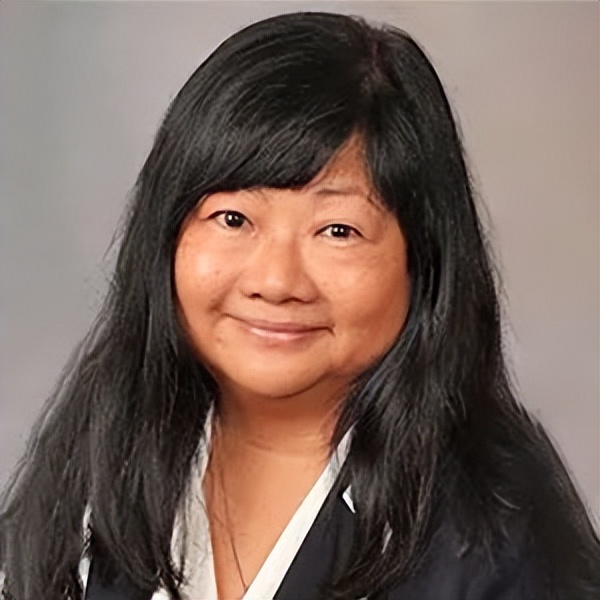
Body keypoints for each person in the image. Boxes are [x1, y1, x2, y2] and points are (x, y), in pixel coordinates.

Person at [0, 11, 598, 600]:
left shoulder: (500, 529)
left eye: (338, 231)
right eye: (233, 219)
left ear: (424, 261)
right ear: (166, 234)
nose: (276, 281)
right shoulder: (104, 453)